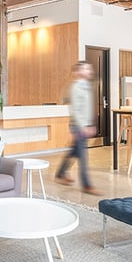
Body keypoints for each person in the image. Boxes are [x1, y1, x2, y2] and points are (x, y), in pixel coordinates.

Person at [55, 61, 103, 196]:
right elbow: (75, 110)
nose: (89, 71)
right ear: (78, 72)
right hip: (78, 126)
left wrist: (90, 124)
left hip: (84, 125)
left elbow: (86, 108)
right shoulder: (76, 88)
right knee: (83, 156)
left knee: (75, 151)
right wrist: (82, 127)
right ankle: (87, 185)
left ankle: (60, 173)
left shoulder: (87, 86)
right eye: (86, 69)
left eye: (89, 69)